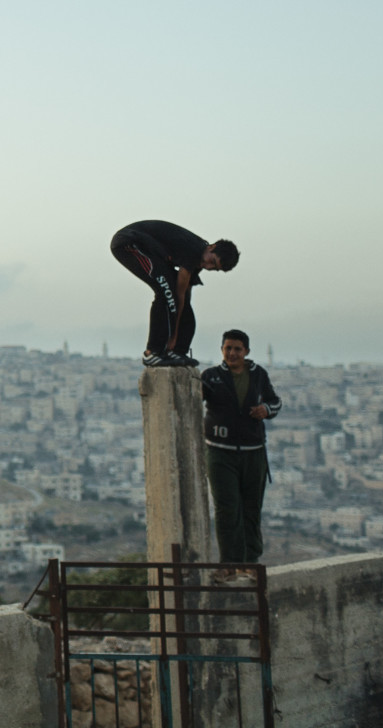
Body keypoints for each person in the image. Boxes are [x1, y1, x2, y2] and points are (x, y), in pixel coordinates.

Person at [200, 329, 281, 571]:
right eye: (228, 348)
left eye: (237, 349)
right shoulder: (211, 376)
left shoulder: (258, 375)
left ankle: (250, 561)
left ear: (246, 351)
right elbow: (194, 398)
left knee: (251, 507)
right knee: (227, 508)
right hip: (220, 451)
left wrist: (265, 409)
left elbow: (275, 402)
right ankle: (231, 564)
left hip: (253, 451)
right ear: (222, 350)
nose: (232, 353)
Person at [110, 220, 240, 367]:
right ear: (212, 247)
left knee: (179, 299)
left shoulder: (200, 257)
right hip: (128, 243)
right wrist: (173, 336)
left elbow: (184, 297)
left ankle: (177, 351)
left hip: (152, 250)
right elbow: (177, 296)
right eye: (212, 261)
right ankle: (152, 352)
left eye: (214, 268)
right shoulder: (192, 251)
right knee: (165, 293)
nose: (208, 266)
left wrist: (177, 339)